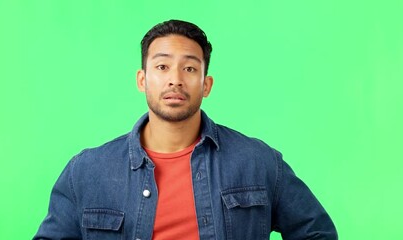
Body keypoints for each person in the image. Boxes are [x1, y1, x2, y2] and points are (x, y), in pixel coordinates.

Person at [33, 19, 337, 240]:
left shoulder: (258, 162)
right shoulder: (87, 171)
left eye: (189, 68)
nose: (175, 79)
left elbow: (318, 234)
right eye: (162, 67)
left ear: (206, 85)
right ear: (142, 80)